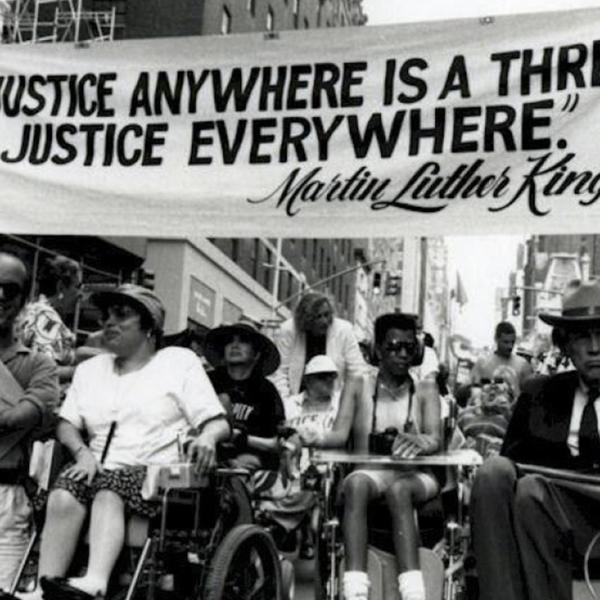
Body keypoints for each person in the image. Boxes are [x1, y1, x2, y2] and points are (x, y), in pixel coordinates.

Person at [29, 284, 229, 600]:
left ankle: (95, 582)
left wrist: (207, 437)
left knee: (112, 489)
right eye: (106, 315)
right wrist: (81, 454)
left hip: (157, 473)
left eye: (122, 315)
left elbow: (216, 421)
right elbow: (67, 423)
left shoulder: (179, 362)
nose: (108, 322)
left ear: (149, 326)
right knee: (64, 492)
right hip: (97, 465)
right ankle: (46, 588)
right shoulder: (90, 370)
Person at [471, 280, 600, 600]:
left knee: (531, 493)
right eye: (583, 336)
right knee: (496, 474)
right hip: (552, 511)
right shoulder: (538, 392)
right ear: (567, 346)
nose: (595, 347)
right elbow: (512, 462)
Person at [341, 313, 441, 600]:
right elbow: (337, 435)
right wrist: (306, 437)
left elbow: (435, 438)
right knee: (355, 484)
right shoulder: (357, 385)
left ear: (418, 351)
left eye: (409, 348)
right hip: (372, 473)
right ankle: (355, 588)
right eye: (394, 346)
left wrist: (422, 440)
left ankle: (413, 591)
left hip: (417, 476)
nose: (402, 354)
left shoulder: (426, 388)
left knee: (399, 491)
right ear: (378, 349)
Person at [0, 252, 59, 591]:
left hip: (8, 498)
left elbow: (25, 415)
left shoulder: (39, 366)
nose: (0, 296)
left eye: (10, 289)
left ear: (23, 300)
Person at [204, 320, 285, 471]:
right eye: (229, 341)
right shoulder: (207, 381)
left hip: (250, 463)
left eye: (243, 341)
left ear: (256, 354)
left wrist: (241, 439)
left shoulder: (266, 391)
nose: (235, 345)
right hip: (208, 456)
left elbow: (275, 442)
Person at [270, 291, 365, 403]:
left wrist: (344, 405)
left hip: (334, 404)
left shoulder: (344, 330)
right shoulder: (288, 330)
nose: (324, 321)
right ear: (305, 319)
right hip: (295, 401)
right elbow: (279, 372)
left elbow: (357, 372)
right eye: (318, 317)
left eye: (327, 314)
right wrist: (287, 405)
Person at [470, 321, 533, 397]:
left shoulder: (523, 365)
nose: (510, 346)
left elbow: (529, 394)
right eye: (505, 342)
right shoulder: (483, 363)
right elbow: (474, 390)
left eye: (512, 342)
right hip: (489, 407)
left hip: (514, 408)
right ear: (496, 339)